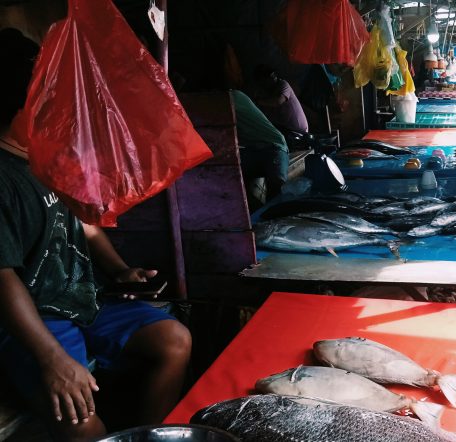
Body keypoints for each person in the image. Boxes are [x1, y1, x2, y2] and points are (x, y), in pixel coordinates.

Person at [0, 28, 191, 440]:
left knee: (174, 341)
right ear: (21, 103)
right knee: (85, 425)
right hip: (31, 323)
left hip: (80, 301)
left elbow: (83, 223)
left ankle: (141, 434)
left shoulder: (49, 157)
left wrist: (120, 270)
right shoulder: (3, 177)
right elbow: (3, 277)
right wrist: (52, 359)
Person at [231, 90, 290, 207]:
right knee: (229, 175)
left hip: (275, 147)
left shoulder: (233, 97)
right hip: (252, 150)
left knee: (277, 187)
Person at [251, 65, 309, 134]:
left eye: (274, 76)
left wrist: (258, 101)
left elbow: (278, 101)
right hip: (286, 129)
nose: (274, 78)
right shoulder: (267, 92)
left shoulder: (283, 84)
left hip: (298, 131)